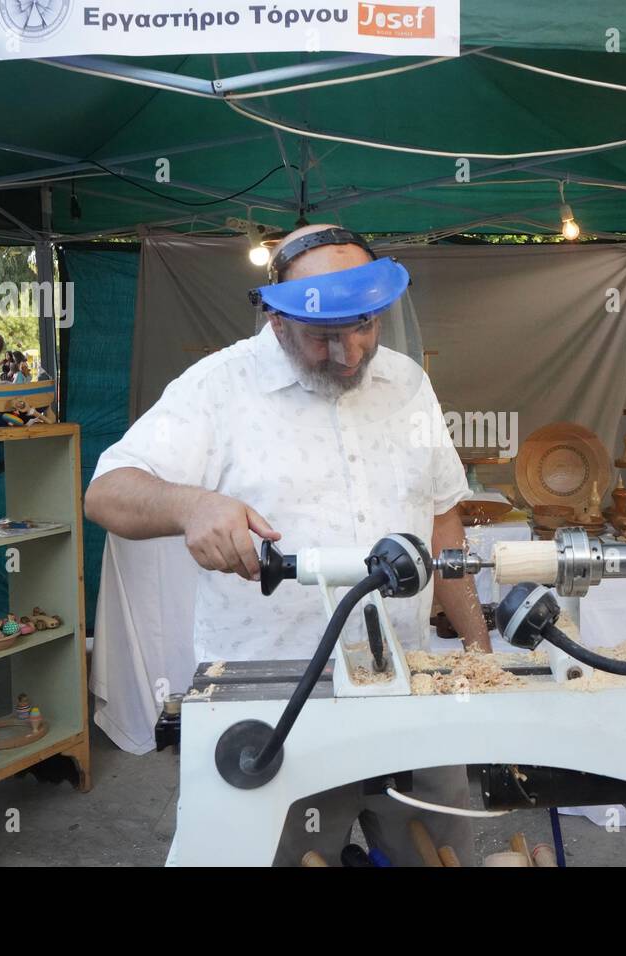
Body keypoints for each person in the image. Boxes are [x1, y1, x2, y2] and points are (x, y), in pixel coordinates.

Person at [85, 224, 490, 866]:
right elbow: (106, 493)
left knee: (440, 856)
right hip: (275, 703)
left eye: (365, 326)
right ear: (275, 319)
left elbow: (443, 523)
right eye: (325, 334)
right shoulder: (218, 388)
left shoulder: (407, 384)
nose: (351, 352)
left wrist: (479, 656)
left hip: (409, 690)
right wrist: (193, 504)